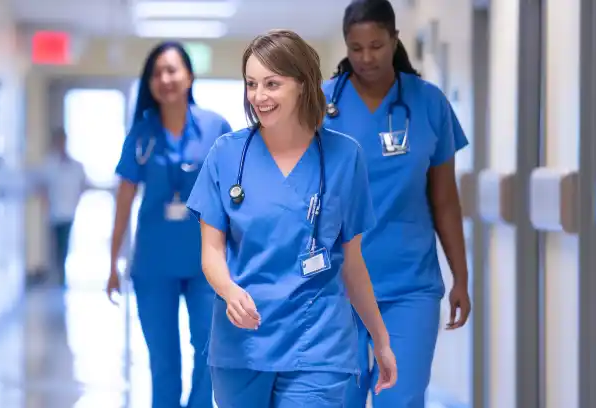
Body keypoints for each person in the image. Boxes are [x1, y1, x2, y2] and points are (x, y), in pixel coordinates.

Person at [186, 29, 397, 408]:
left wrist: (380, 339)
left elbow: (352, 262)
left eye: (272, 83)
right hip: (243, 340)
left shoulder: (344, 157)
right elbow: (211, 253)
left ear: (302, 83)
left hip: (317, 342)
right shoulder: (226, 155)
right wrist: (230, 292)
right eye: (251, 84)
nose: (259, 96)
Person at [322, 1, 472, 406]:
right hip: (338, 288)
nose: (366, 57)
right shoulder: (321, 106)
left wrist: (461, 276)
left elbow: (444, 200)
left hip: (410, 286)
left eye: (376, 45)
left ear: (394, 40)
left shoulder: (428, 104)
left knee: (401, 398)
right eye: (356, 48)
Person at [105, 41, 232, 408]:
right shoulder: (142, 133)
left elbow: (234, 193)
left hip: (204, 262)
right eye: (157, 73)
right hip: (154, 264)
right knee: (163, 359)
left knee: (209, 351)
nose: (165, 78)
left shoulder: (214, 127)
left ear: (189, 76)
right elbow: (124, 201)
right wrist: (113, 262)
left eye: (172, 70)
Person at [33, 128, 89, 287]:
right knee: (56, 245)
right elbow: (41, 187)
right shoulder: (49, 164)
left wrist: (77, 200)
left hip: (69, 211)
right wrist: (45, 205)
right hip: (54, 212)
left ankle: (61, 275)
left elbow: (83, 185)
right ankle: (58, 275)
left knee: (64, 244)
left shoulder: (75, 165)